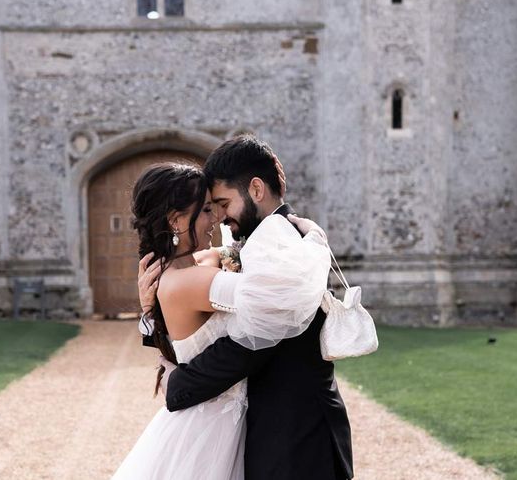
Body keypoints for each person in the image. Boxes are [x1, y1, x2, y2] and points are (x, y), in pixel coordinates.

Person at [115, 136, 352, 479]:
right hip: (245, 431)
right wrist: (150, 314)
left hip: (298, 436)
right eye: (210, 208)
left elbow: (256, 333)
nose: (219, 218)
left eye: (221, 204)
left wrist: (178, 382)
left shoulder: (292, 242)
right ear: (177, 220)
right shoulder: (222, 258)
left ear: (256, 190)